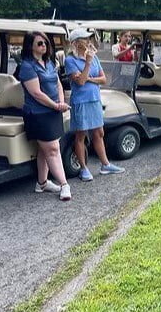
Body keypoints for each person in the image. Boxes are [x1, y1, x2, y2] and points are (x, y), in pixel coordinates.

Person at [65, 28, 126, 182]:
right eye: (85, 39)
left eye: (88, 38)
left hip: (94, 99)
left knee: (99, 132)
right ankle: (83, 168)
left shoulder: (94, 57)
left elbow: (104, 79)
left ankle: (105, 164)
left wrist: (89, 78)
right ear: (76, 43)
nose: (88, 41)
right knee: (81, 134)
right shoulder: (70, 60)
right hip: (81, 101)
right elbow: (80, 81)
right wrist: (87, 63)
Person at [18, 32, 71, 201]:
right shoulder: (27, 66)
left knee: (45, 149)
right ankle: (64, 184)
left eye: (45, 43)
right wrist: (56, 105)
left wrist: (60, 102)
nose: (44, 46)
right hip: (38, 114)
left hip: (52, 112)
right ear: (30, 46)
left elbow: (58, 84)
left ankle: (42, 183)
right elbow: (36, 93)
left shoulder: (49, 63)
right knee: (53, 149)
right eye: (40, 43)